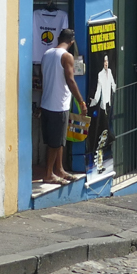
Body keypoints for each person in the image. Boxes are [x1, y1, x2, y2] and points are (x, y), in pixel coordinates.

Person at [37, 29, 88, 187]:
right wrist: (81, 102)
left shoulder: (47, 53)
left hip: (46, 103)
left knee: (58, 140)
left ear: (58, 38)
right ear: (71, 42)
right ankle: (48, 175)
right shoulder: (67, 56)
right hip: (58, 105)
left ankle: (59, 169)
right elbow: (71, 81)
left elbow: (41, 76)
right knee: (55, 143)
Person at [85, 53, 117, 176]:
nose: (106, 63)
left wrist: (115, 90)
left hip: (109, 106)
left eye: (107, 61)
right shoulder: (100, 74)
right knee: (102, 137)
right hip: (103, 108)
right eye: (104, 61)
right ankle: (99, 165)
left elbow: (113, 85)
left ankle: (101, 164)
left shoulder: (110, 72)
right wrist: (93, 102)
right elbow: (98, 91)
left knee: (105, 136)